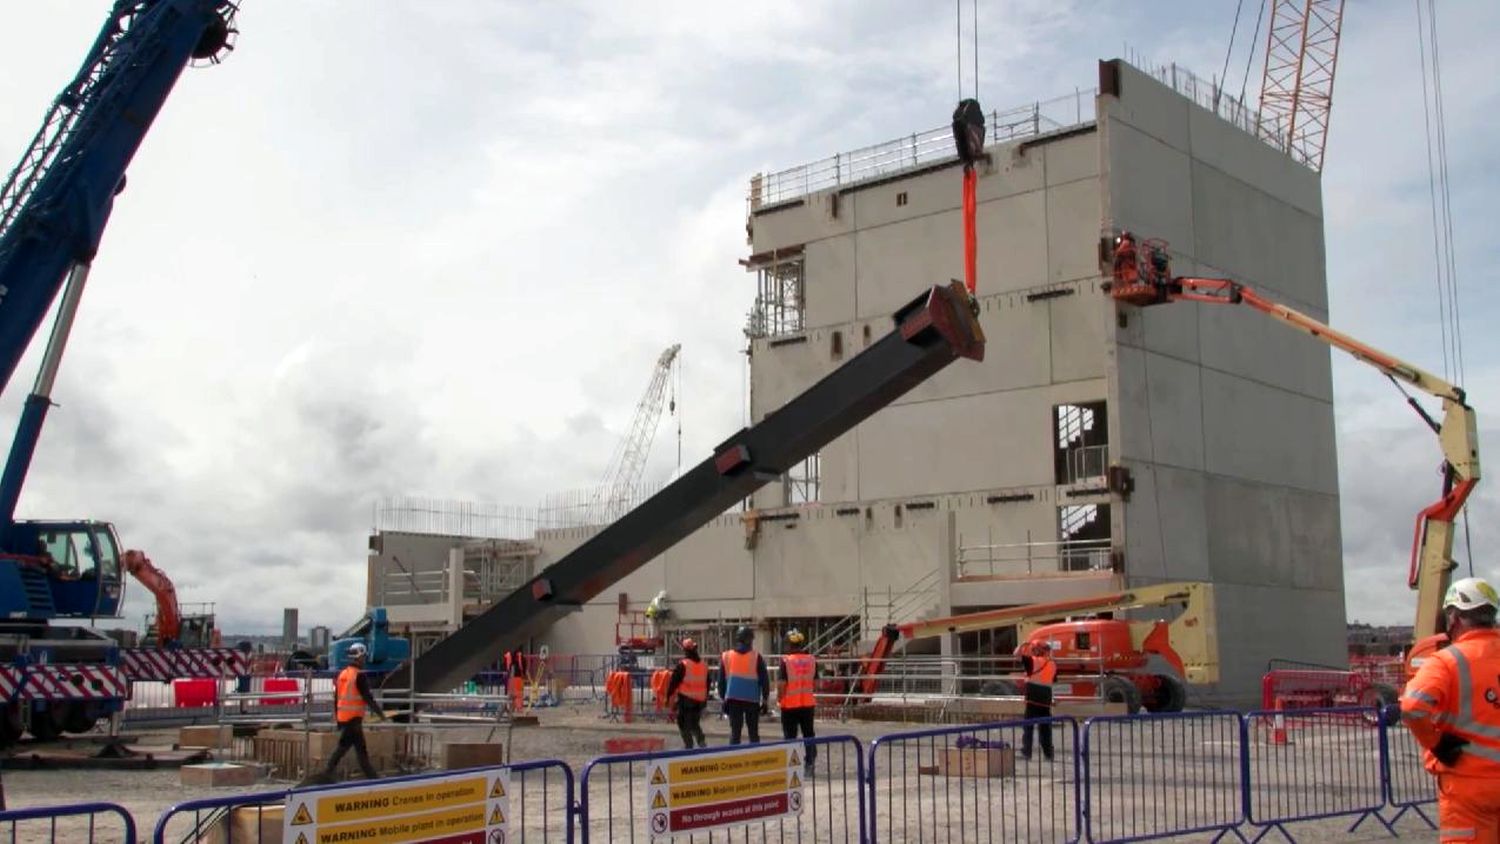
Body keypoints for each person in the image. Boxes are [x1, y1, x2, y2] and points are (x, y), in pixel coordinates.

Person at [1400, 576, 1500, 841]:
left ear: (1453, 618)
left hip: (1469, 785)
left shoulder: (1447, 661)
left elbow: (1412, 707)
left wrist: (1437, 742)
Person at [323, 642, 386, 781]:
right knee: (350, 749)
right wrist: (380, 714)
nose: (364, 660)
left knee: (350, 749)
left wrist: (338, 719)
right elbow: (367, 697)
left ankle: (372, 778)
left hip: (345, 719)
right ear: (358, 657)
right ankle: (326, 773)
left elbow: (336, 698)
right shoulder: (359, 676)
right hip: (354, 720)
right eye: (363, 657)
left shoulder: (343, 675)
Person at [719, 625, 769, 745]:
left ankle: (734, 760)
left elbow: (721, 682)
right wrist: (765, 700)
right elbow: (764, 680)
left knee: (735, 733)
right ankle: (755, 759)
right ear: (749, 640)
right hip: (752, 700)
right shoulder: (756, 657)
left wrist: (723, 699)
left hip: (733, 699)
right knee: (753, 734)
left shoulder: (726, 656)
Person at [777, 629, 817, 774]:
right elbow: (816, 683)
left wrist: (779, 698)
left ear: (788, 645)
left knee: (790, 736)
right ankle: (810, 763)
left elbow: (782, 684)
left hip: (789, 705)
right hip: (807, 704)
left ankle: (791, 766)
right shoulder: (811, 660)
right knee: (809, 734)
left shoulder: (786, 661)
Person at [665, 637, 709, 748]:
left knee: (683, 723)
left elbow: (673, 683)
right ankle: (701, 742)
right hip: (699, 702)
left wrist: (668, 697)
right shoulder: (703, 665)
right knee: (694, 723)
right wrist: (704, 698)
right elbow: (708, 684)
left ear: (685, 650)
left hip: (686, 701)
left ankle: (689, 745)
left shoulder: (683, 665)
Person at [1019, 640, 1056, 761]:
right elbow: (1054, 679)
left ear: (1037, 650)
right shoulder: (1052, 664)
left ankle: (1027, 752)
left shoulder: (1033, 661)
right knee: (1045, 729)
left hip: (1033, 699)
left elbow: (1016, 653)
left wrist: (1023, 645)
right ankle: (1048, 753)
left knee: (1028, 727)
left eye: (1034, 649)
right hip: (1045, 700)